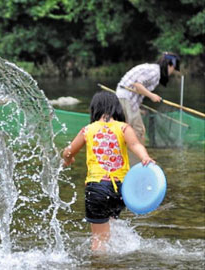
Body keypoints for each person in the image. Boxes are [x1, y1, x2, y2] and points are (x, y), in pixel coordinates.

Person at [62, 91, 154, 252]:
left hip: (97, 188)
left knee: (99, 240)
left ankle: (100, 264)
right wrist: (145, 157)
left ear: (94, 109)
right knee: (110, 228)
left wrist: (68, 159)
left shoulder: (87, 130)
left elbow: (68, 151)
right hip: (121, 189)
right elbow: (135, 145)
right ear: (116, 108)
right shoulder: (124, 128)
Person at [115, 52, 180, 144]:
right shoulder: (155, 72)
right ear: (169, 65)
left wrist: (138, 109)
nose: (172, 72)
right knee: (137, 131)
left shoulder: (154, 70)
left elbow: (137, 92)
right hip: (125, 98)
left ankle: (134, 154)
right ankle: (136, 156)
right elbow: (137, 84)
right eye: (173, 68)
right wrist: (151, 95)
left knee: (138, 130)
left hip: (126, 99)